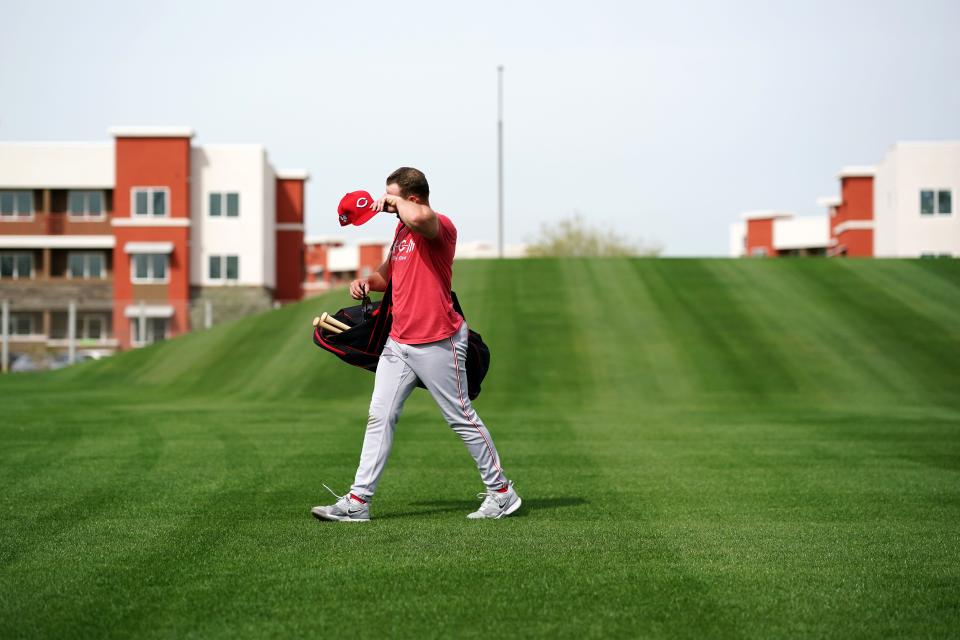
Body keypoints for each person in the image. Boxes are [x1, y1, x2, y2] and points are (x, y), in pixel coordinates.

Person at [311, 168, 521, 522]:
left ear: (411, 197)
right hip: (399, 342)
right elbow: (385, 276)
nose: (387, 207)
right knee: (380, 416)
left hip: (438, 339)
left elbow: (423, 216)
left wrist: (394, 203)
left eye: (392, 199)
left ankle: (502, 493)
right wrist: (366, 282)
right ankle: (358, 502)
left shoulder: (437, 225)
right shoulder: (402, 231)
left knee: (461, 418)